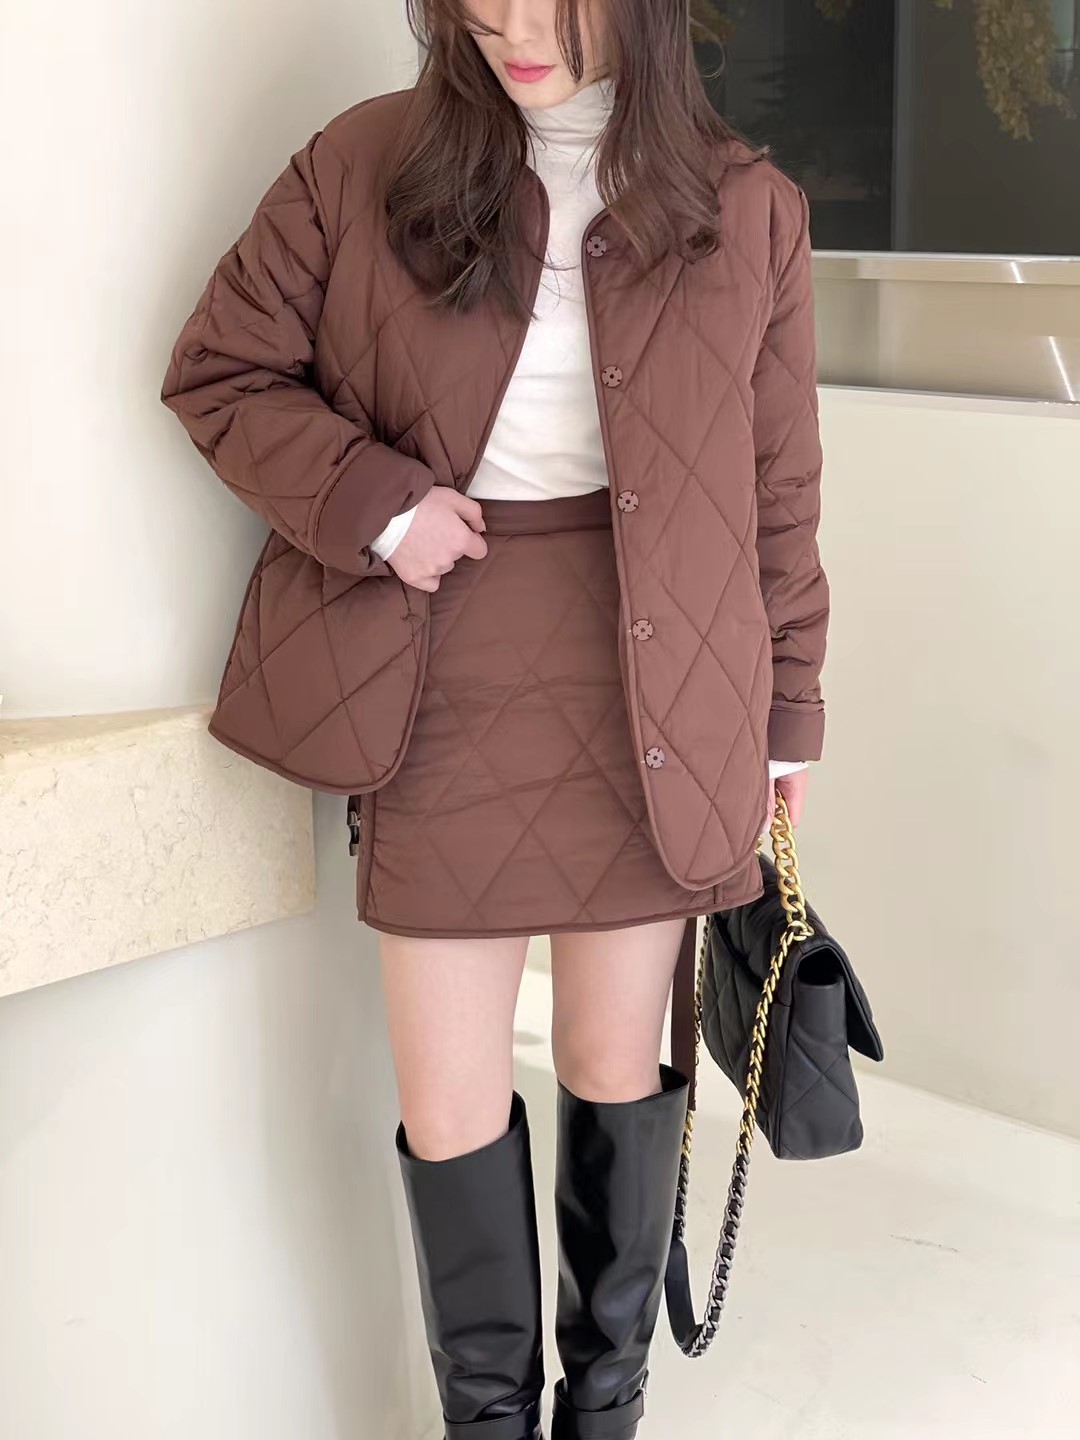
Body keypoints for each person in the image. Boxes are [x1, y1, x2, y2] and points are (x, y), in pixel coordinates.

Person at [160, 2, 829, 1437]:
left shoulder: (749, 209)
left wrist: (789, 717)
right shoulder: (363, 165)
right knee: (450, 1099)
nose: (513, 27)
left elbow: (778, 496)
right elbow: (219, 368)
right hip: (440, 675)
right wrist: (379, 507)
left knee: (614, 1066)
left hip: (662, 692)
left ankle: (605, 1414)